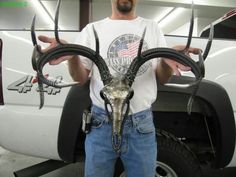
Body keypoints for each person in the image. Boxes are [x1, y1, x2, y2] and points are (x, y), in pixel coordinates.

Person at [38, 0, 201, 176]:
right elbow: (80, 78)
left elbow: (161, 78)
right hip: (101, 124)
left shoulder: (152, 28)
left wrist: (169, 60)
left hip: (141, 125)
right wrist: (72, 57)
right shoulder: (92, 30)